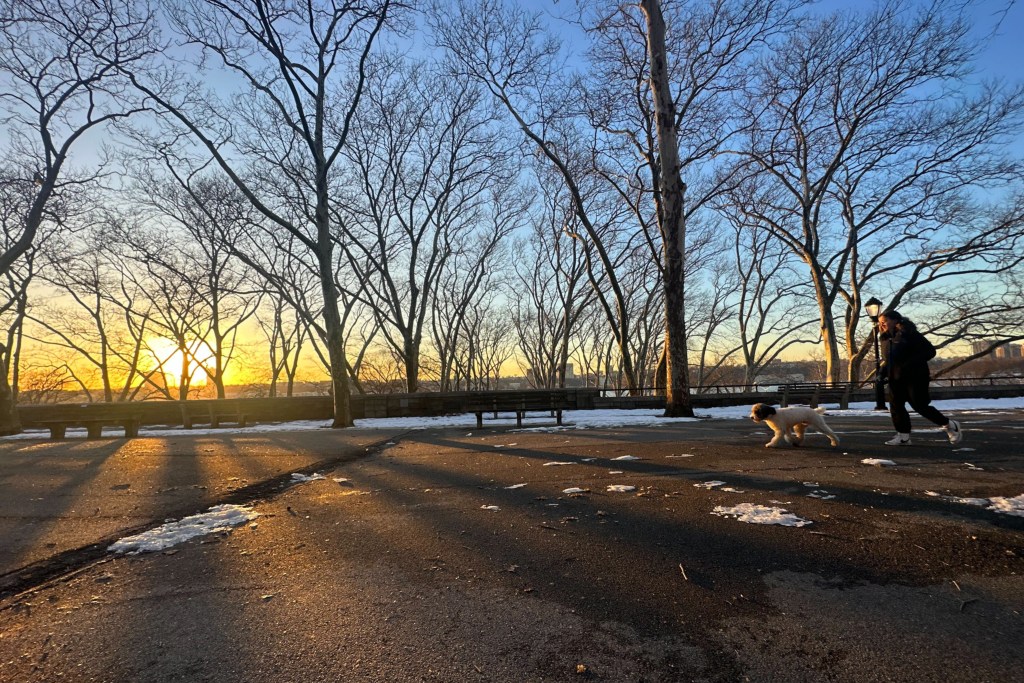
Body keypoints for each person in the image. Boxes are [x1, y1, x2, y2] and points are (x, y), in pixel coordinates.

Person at [877, 310, 961, 446]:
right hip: (895, 378)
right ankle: (903, 436)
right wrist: (882, 373)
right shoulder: (885, 339)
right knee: (896, 406)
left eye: (884, 321)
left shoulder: (909, 334)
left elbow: (930, 351)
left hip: (915, 376)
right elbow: (887, 360)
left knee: (919, 405)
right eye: (880, 322)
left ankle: (950, 425)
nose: (881, 324)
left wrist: (908, 364)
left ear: (895, 320)